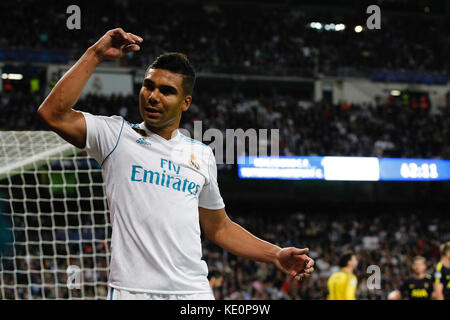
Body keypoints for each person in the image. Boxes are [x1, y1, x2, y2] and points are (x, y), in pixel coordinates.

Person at [37, 28, 315, 300]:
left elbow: (219, 228)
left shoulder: (201, 155)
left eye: (166, 91)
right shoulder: (116, 135)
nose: (153, 96)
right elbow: (53, 114)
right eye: (148, 86)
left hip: (193, 291)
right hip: (132, 291)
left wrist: (275, 253)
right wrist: (96, 53)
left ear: (185, 102)